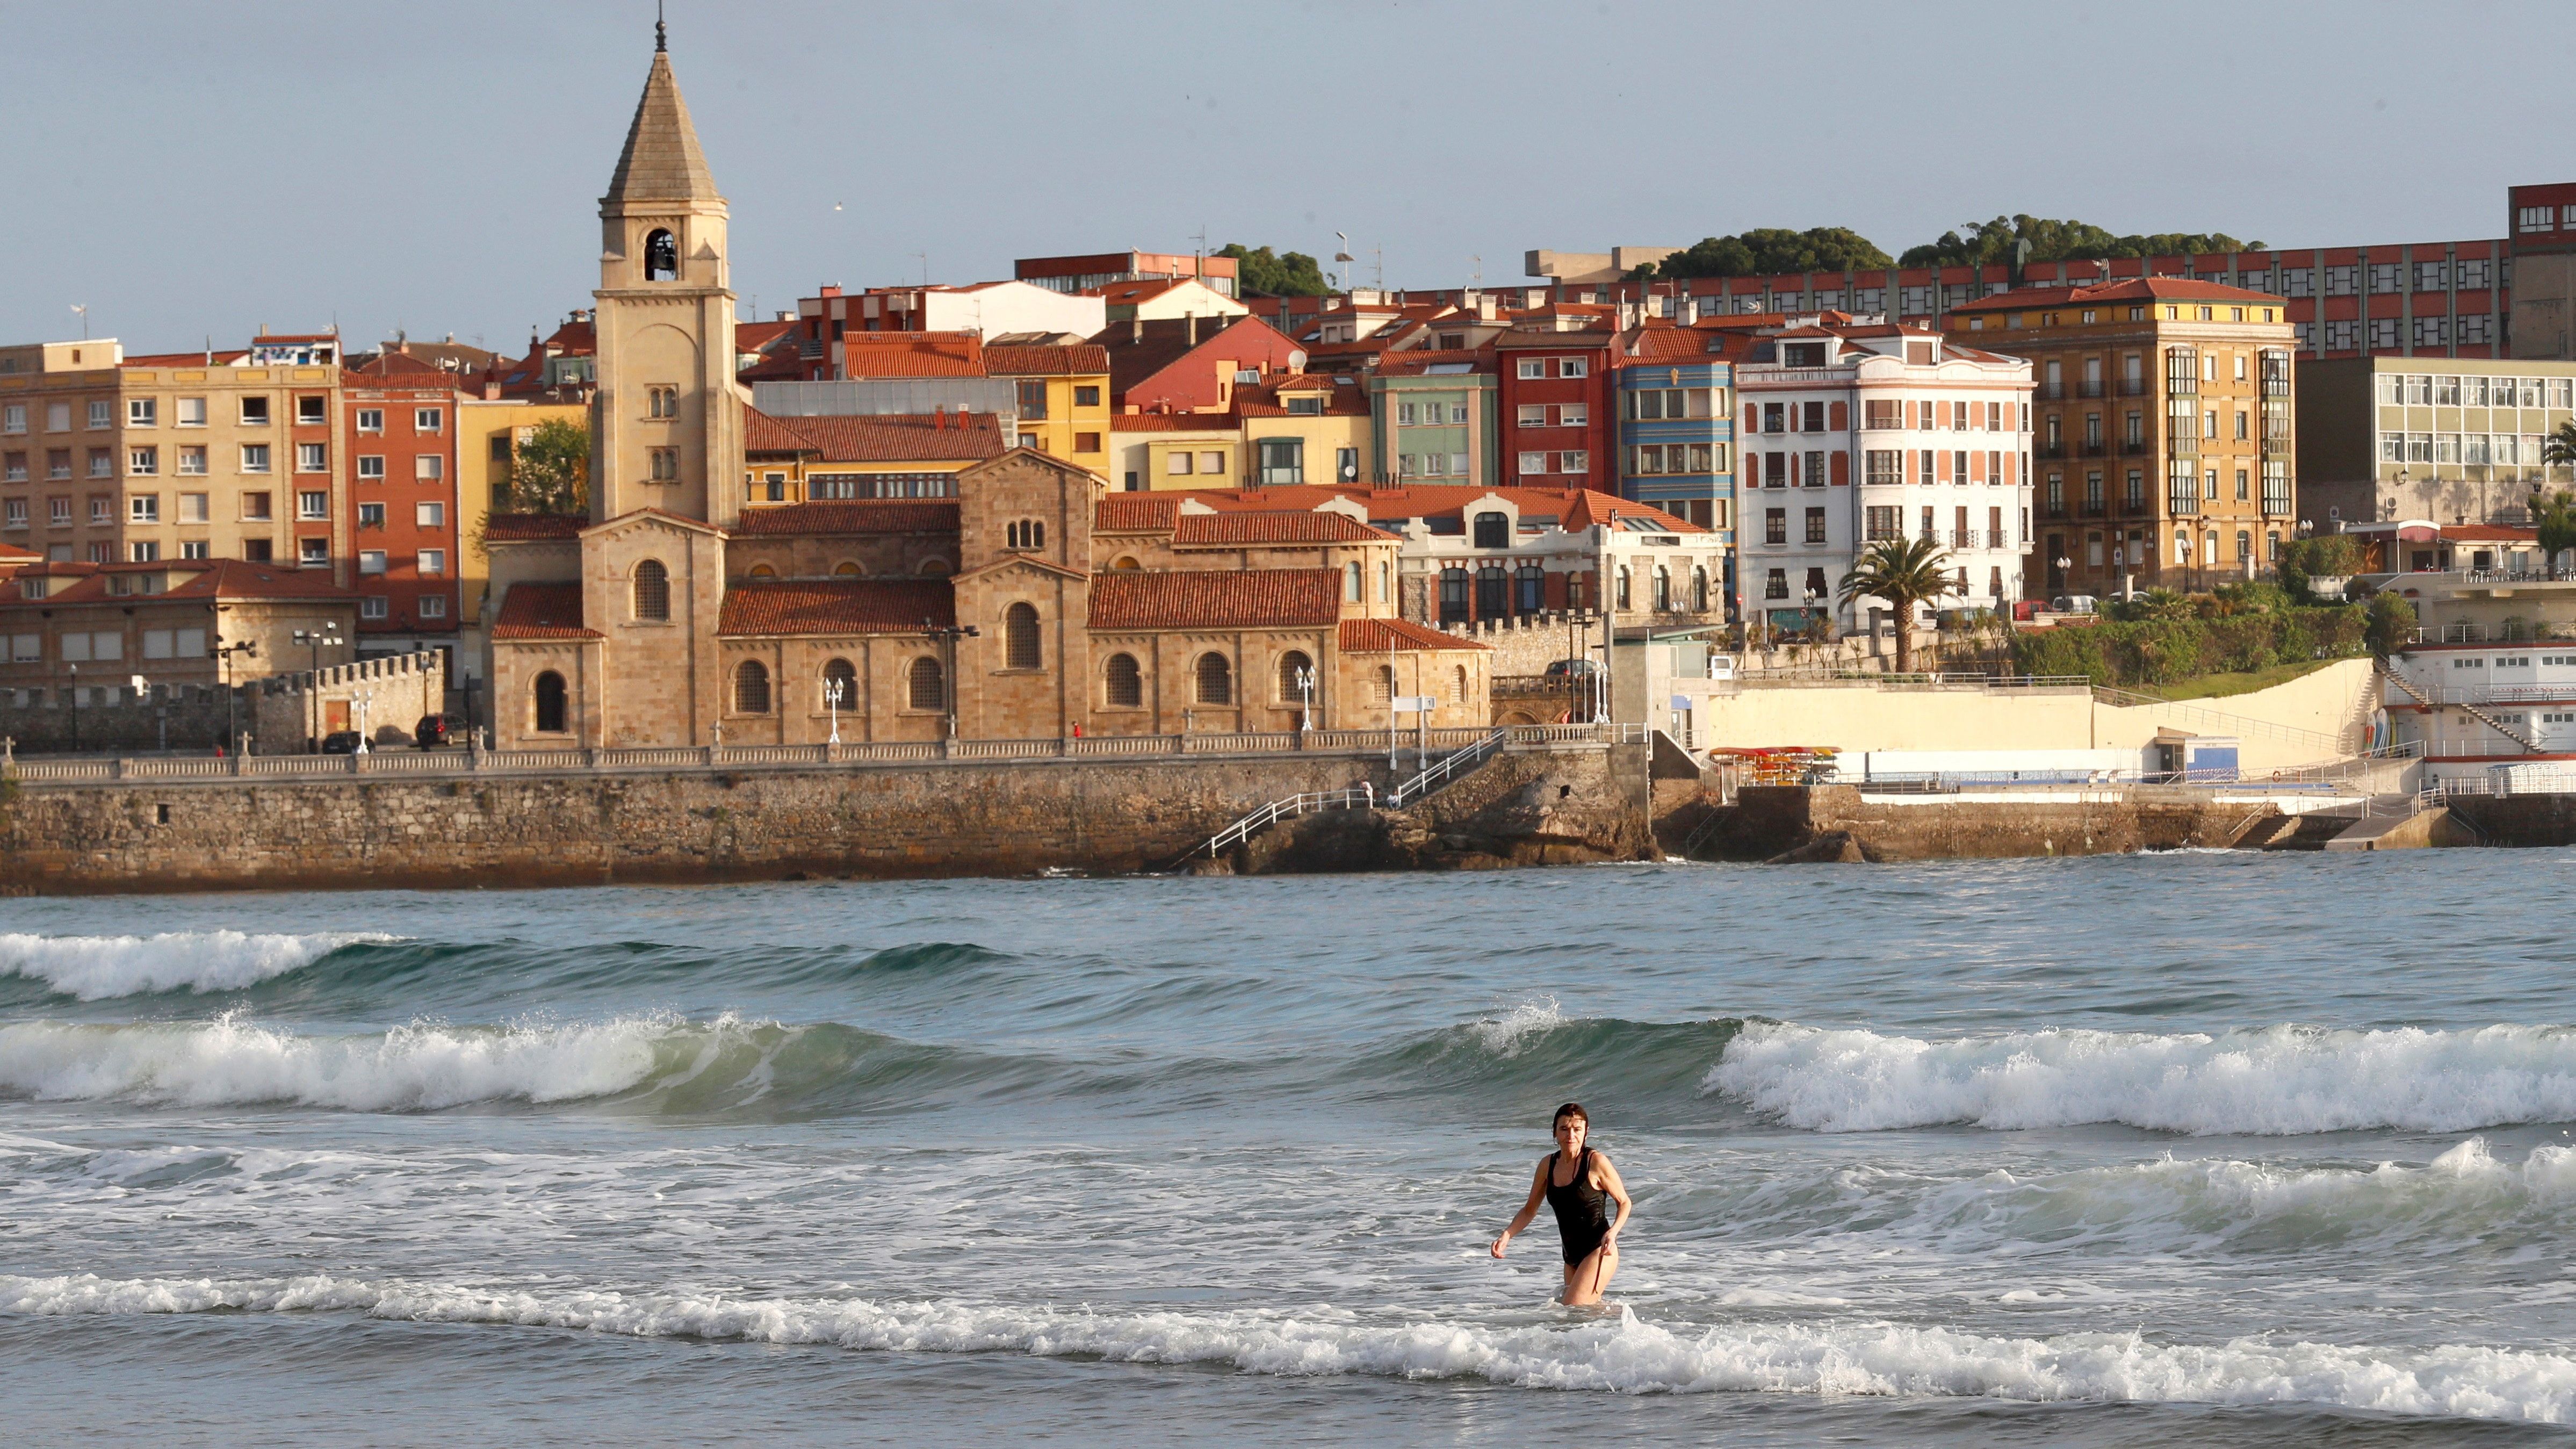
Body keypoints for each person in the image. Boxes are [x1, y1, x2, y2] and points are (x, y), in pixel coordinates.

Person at [1489, 1100, 1631, 1306]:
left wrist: (1613, 1232)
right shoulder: (1548, 1165)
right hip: (1570, 1256)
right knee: (1579, 1317)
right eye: (1564, 1129)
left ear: (1586, 1132)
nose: (1570, 1135)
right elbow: (1529, 1210)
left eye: (1577, 1129)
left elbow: (1625, 1202)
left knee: (1573, 1308)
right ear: (1555, 1132)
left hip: (1599, 1250)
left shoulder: (1596, 1162)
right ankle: (1621, 1328)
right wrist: (1507, 1234)